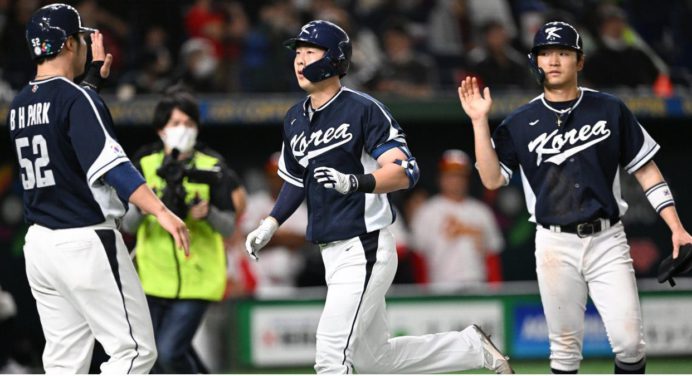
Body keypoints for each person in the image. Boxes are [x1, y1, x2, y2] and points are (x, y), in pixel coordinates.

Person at [244, 20, 513, 374]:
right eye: (297, 52)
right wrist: (271, 222)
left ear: (335, 58)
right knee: (375, 359)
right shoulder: (295, 118)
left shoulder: (362, 108)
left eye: (310, 51)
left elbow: (405, 171)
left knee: (330, 354)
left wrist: (356, 182)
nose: (299, 60)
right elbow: (295, 181)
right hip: (331, 249)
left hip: (364, 244)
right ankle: (469, 347)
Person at [458, 21, 692, 373]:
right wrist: (479, 122)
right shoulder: (520, 122)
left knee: (630, 344)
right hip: (554, 243)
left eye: (563, 53)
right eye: (546, 53)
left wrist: (676, 226)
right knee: (565, 351)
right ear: (535, 61)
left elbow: (646, 169)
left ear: (579, 62)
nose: (553, 60)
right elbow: (492, 179)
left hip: (607, 238)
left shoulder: (610, 109)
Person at [6, 4, 190, 373]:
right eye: (80, 38)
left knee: (64, 361)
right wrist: (162, 212)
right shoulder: (77, 99)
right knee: (134, 352)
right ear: (69, 43)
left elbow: (63, 125)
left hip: (41, 245)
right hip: (84, 239)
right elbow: (115, 168)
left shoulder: (19, 103)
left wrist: (90, 83)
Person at [121, 89, 246, 373]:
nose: (182, 130)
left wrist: (207, 213)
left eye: (189, 124)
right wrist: (146, 209)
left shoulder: (212, 165)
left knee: (169, 352)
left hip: (198, 277)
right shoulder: (144, 163)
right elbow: (127, 225)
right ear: (160, 129)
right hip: (153, 279)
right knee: (151, 357)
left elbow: (229, 225)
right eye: (175, 123)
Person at [412, 149, 504, 287]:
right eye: (450, 175)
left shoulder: (481, 211)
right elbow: (418, 257)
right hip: (440, 287)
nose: (455, 180)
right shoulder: (427, 211)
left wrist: (496, 291)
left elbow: (492, 256)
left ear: (467, 179)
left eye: (460, 175)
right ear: (441, 177)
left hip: (478, 285)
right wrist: (424, 291)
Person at [239, 152, 309, 294]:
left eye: (282, 175)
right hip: (257, 283)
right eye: (274, 175)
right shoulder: (254, 203)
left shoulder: (299, 207)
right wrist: (284, 236)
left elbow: (302, 240)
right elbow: (248, 240)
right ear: (267, 177)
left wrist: (267, 233)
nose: (277, 180)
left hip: (288, 282)